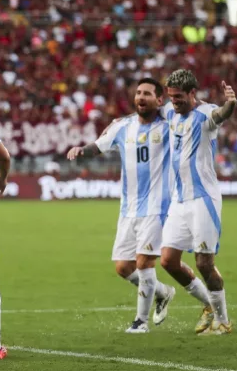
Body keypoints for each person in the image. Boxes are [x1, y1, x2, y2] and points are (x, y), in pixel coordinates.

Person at [67, 78, 176, 333]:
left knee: (143, 263)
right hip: (129, 208)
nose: (141, 97)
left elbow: (181, 113)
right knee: (123, 267)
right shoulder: (122, 126)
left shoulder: (168, 124)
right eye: (138, 92)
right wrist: (82, 150)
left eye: (147, 93)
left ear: (159, 100)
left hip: (157, 206)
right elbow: (99, 146)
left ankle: (141, 321)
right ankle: (163, 292)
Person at [159, 70, 236, 334]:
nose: (174, 102)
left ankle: (223, 320)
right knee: (168, 261)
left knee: (204, 263)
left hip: (203, 199)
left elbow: (220, 115)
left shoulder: (206, 114)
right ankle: (207, 305)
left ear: (193, 93)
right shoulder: (170, 112)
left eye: (179, 97)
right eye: (171, 97)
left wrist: (231, 105)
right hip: (179, 201)